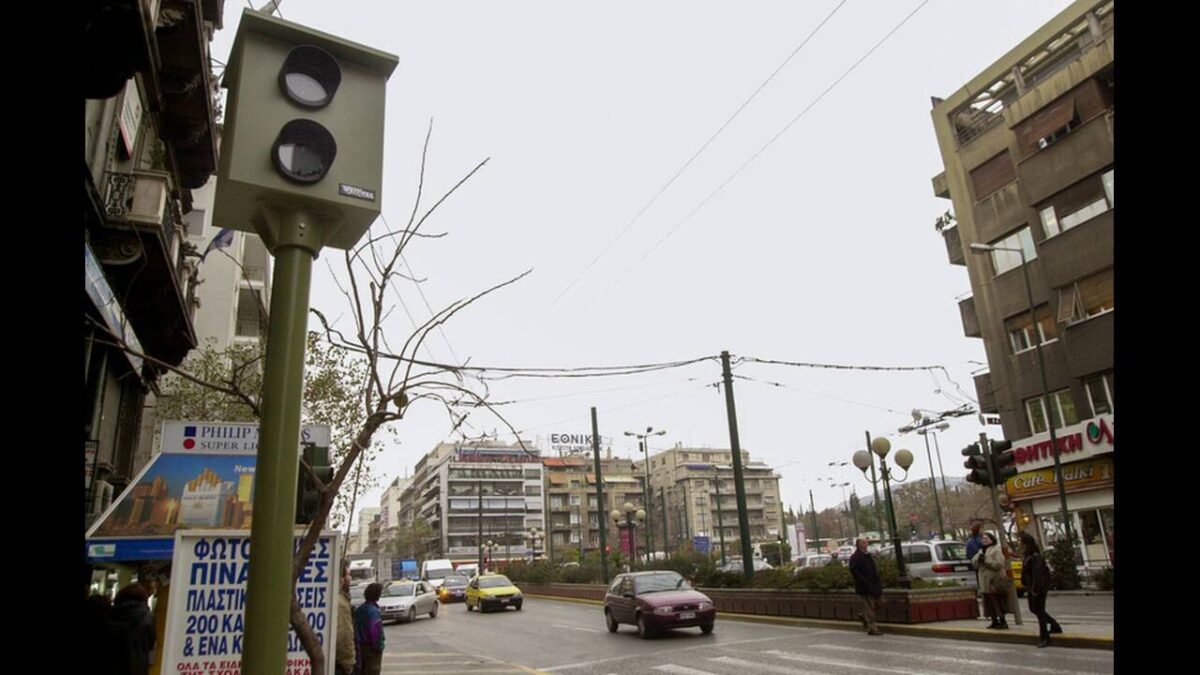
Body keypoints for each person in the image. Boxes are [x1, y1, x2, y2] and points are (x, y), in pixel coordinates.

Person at [1020, 533, 1063, 647]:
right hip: (1031, 586)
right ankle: (1054, 624)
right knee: (1034, 609)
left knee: (1039, 610)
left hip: (1038, 587)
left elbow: (1037, 574)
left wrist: (1035, 588)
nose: (1020, 544)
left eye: (1022, 542)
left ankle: (1045, 637)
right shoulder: (1027, 555)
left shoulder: (1035, 556)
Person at [111, 583, 157, 675]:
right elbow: (151, 643)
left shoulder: (112, 614)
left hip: (114, 665)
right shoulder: (147, 617)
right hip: (139, 666)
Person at [848, 537, 883, 636]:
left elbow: (874, 570)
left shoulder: (868, 556)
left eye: (866, 542)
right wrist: (864, 582)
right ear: (858, 545)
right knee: (869, 608)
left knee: (878, 604)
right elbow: (854, 572)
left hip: (875, 585)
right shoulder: (856, 557)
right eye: (863, 543)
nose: (866, 544)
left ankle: (864, 616)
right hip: (865, 587)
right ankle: (872, 628)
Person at [973, 533, 1009, 629]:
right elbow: (974, 561)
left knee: (997, 601)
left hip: (994, 581)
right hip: (984, 582)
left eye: (986, 538)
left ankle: (1002, 621)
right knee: (989, 602)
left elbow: (999, 564)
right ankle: (994, 620)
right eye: (983, 538)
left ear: (991, 539)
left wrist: (986, 560)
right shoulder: (981, 550)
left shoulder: (996, 549)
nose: (983, 540)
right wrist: (978, 560)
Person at [354, 582, 385, 675]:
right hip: (370, 649)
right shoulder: (373, 611)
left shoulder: (360, 609)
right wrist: (379, 647)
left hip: (360, 647)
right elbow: (375, 633)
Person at [336, 566, 357, 675]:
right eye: (348, 574)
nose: (351, 578)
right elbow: (343, 635)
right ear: (341, 579)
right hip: (340, 665)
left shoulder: (342, 599)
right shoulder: (340, 603)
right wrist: (348, 663)